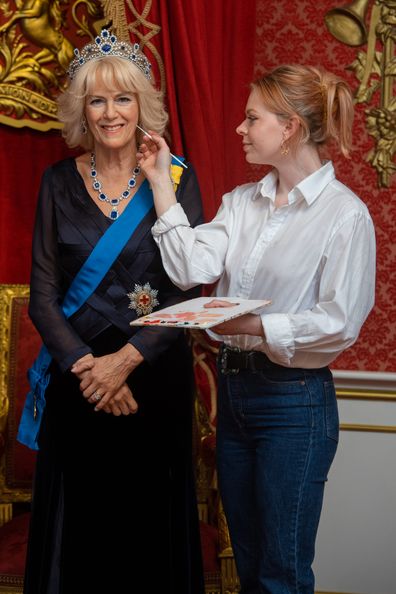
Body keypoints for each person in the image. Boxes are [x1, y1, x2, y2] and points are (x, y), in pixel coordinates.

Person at [136, 64, 376, 594]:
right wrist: (158, 179)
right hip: (236, 392)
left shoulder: (345, 215)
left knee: (281, 574)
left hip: (295, 403)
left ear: (288, 127)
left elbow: (340, 322)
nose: (240, 130)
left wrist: (252, 324)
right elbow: (190, 268)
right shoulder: (242, 202)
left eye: (252, 118)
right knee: (248, 569)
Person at [22, 29, 205, 594]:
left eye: (122, 98)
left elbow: (188, 290)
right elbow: (43, 295)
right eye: (96, 100)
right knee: (80, 530)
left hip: (154, 378)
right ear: (82, 109)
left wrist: (124, 361)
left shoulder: (175, 177)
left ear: (142, 106)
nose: (109, 113)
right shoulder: (56, 183)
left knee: (150, 531)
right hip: (79, 385)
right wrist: (87, 367)